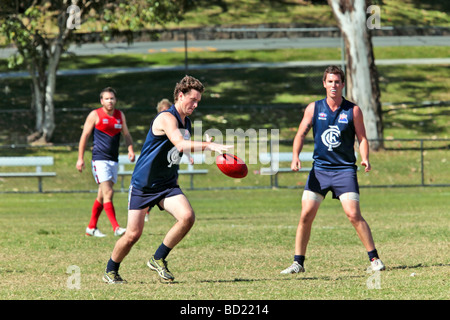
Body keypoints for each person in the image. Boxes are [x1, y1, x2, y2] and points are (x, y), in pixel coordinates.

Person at [103, 75, 232, 283]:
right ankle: (111, 270)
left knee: (187, 217)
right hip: (144, 185)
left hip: (167, 184)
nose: (196, 104)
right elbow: (179, 144)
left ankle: (158, 258)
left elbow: (182, 148)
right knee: (133, 235)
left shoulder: (186, 122)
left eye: (198, 101)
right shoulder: (166, 117)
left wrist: (205, 145)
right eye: (193, 100)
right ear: (180, 96)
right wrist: (207, 146)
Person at [280, 66, 385, 274]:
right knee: (306, 215)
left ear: (343, 84)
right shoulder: (313, 108)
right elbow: (300, 134)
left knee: (353, 214)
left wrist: (365, 158)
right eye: (330, 81)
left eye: (337, 82)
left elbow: (362, 138)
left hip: (344, 170)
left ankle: (375, 260)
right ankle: (297, 263)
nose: (334, 85)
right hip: (319, 170)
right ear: (324, 84)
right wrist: (295, 157)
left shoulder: (353, 110)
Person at [77, 87, 135, 238]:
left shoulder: (119, 115)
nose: (110, 101)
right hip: (99, 160)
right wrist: (80, 158)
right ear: (102, 101)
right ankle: (116, 228)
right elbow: (85, 136)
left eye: (112, 98)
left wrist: (130, 149)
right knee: (108, 192)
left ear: (116, 100)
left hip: (113, 160)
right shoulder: (95, 115)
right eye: (107, 99)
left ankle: (91, 227)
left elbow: (127, 134)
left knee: (102, 196)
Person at [145, 98, 173, 222]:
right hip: (155, 167)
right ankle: (145, 210)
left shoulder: (174, 124)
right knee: (133, 233)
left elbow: (179, 144)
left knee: (172, 186)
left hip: (170, 164)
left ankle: (178, 212)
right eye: (163, 111)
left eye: (167, 110)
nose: (165, 113)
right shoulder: (158, 124)